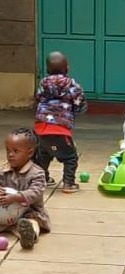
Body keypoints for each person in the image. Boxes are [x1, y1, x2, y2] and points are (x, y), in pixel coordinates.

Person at [33, 51, 86, 193]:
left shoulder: (43, 83)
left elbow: (37, 97)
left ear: (48, 69)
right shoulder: (72, 84)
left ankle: (42, 179)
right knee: (70, 157)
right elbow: (79, 101)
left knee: (44, 154)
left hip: (40, 128)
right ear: (67, 68)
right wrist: (77, 109)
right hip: (59, 129)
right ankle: (68, 183)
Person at [0, 127, 50, 249]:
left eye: (16, 151)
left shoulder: (37, 173)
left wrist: (17, 197)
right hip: (6, 213)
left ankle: (30, 235)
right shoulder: (4, 169)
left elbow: (35, 192)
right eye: (8, 151)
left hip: (30, 212)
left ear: (30, 152)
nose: (10, 155)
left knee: (32, 222)